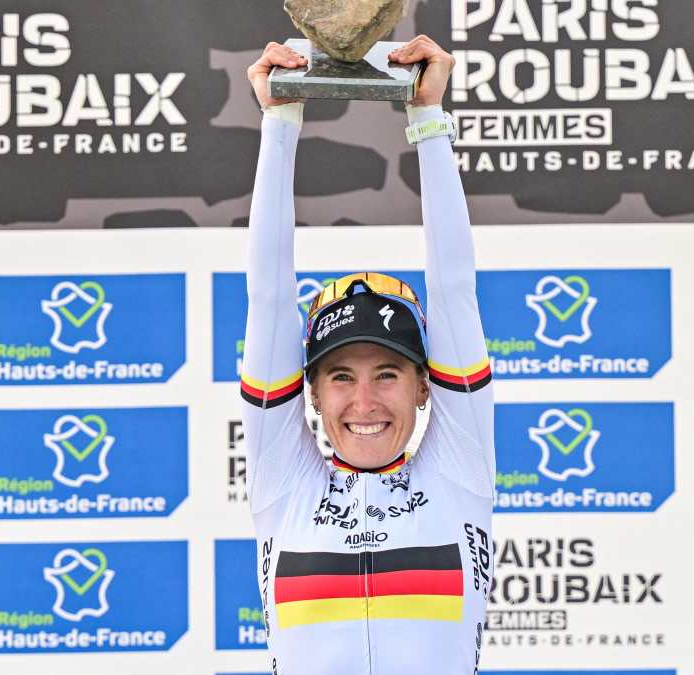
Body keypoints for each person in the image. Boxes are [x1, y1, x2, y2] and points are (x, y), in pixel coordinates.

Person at [241, 35, 495, 674]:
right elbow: (268, 297)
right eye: (340, 376)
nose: (364, 402)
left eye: (387, 373)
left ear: (424, 385)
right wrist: (279, 120)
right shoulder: (283, 483)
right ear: (311, 391)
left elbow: (455, 290)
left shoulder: (459, 473)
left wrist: (429, 119)